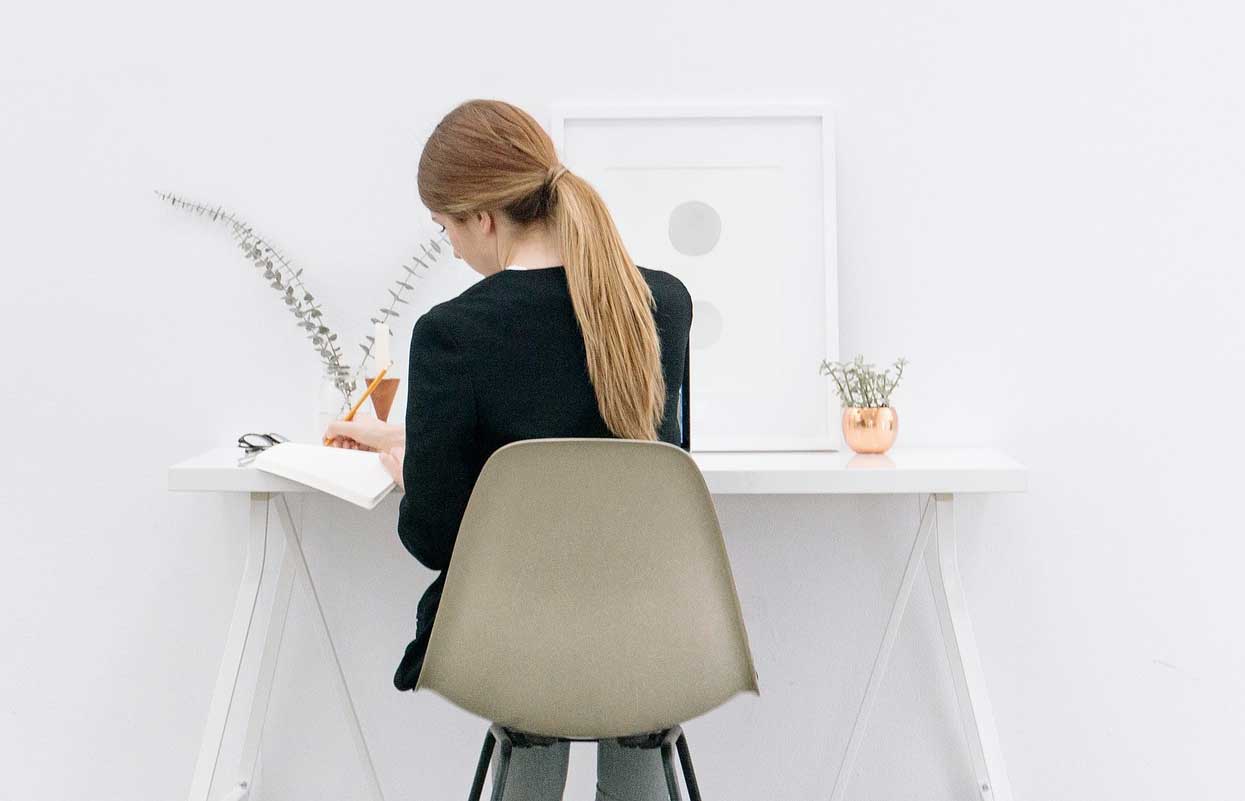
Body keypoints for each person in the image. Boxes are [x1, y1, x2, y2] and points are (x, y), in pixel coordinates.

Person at [323, 98, 693, 801]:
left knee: (531, 621)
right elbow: (652, 468)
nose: (453, 250)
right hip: (654, 633)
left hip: (516, 643)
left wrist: (413, 472)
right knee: (620, 639)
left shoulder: (452, 333)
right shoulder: (661, 303)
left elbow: (437, 538)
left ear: (484, 219)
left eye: (446, 230)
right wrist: (419, 439)